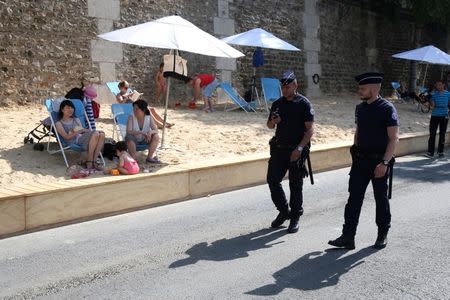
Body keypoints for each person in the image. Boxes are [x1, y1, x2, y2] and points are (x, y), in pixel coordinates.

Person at [328, 72, 399, 250]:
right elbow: (359, 130)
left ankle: (382, 233)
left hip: (378, 162)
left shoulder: (387, 108)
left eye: (362, 88)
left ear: (374, 89)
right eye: (359, 88)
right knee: (354, 199)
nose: (359, 91)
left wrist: (384, 163)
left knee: (380, 199)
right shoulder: (360, 108)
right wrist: (355, 148)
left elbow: (393, 138)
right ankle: (348, 236)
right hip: (360, 161)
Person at [266, 70, 314, 234]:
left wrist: (299, 149)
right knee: (272, 180)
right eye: (283, 87)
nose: (284, 89)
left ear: (295, 85)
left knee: (295, 185)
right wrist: (273, 121)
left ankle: (295, 217)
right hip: (279, 149)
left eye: (287, 86)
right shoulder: (277, 104)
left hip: (296, 150)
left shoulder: (304, 103)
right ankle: (284, 211)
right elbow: (269, 126)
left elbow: (310, 130)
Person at [55, 100, 105, 170]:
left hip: (82, 138)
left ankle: (93, 160)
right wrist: (78, 131)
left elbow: (83, 131)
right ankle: (90, 160)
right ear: (62, 110)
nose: (70, 110)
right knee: (96, 133)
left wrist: (82, 130)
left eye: (72, 108)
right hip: (73, 141)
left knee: (102, 134)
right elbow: (66, 137)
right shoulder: (59, 123)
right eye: (68, 108)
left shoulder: (76, 119)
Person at [125, 99, 161, 163]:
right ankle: (133, 159)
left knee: (156, 136)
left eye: (136, 109)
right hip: (134, 140)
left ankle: (149, 157)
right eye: (134, 109)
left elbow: (156, 130)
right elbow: (129, 131)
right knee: (128, 137)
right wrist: (141, 132)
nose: (134, 111)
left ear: (143, 110)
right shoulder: (131, 117)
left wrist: (150, 132)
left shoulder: (148, 117)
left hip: (145, 139)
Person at [425, 79, 450, 158]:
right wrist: (429, 102)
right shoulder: (433, 94)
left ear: (443, 85)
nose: (438, 86)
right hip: (435, 115)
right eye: (437, 85)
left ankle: (440, 151)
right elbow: (432, 106)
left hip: (444, 116)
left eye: (439, 84)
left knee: (442, 134)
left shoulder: (448, 94)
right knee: (432, 134)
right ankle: (430, 152)